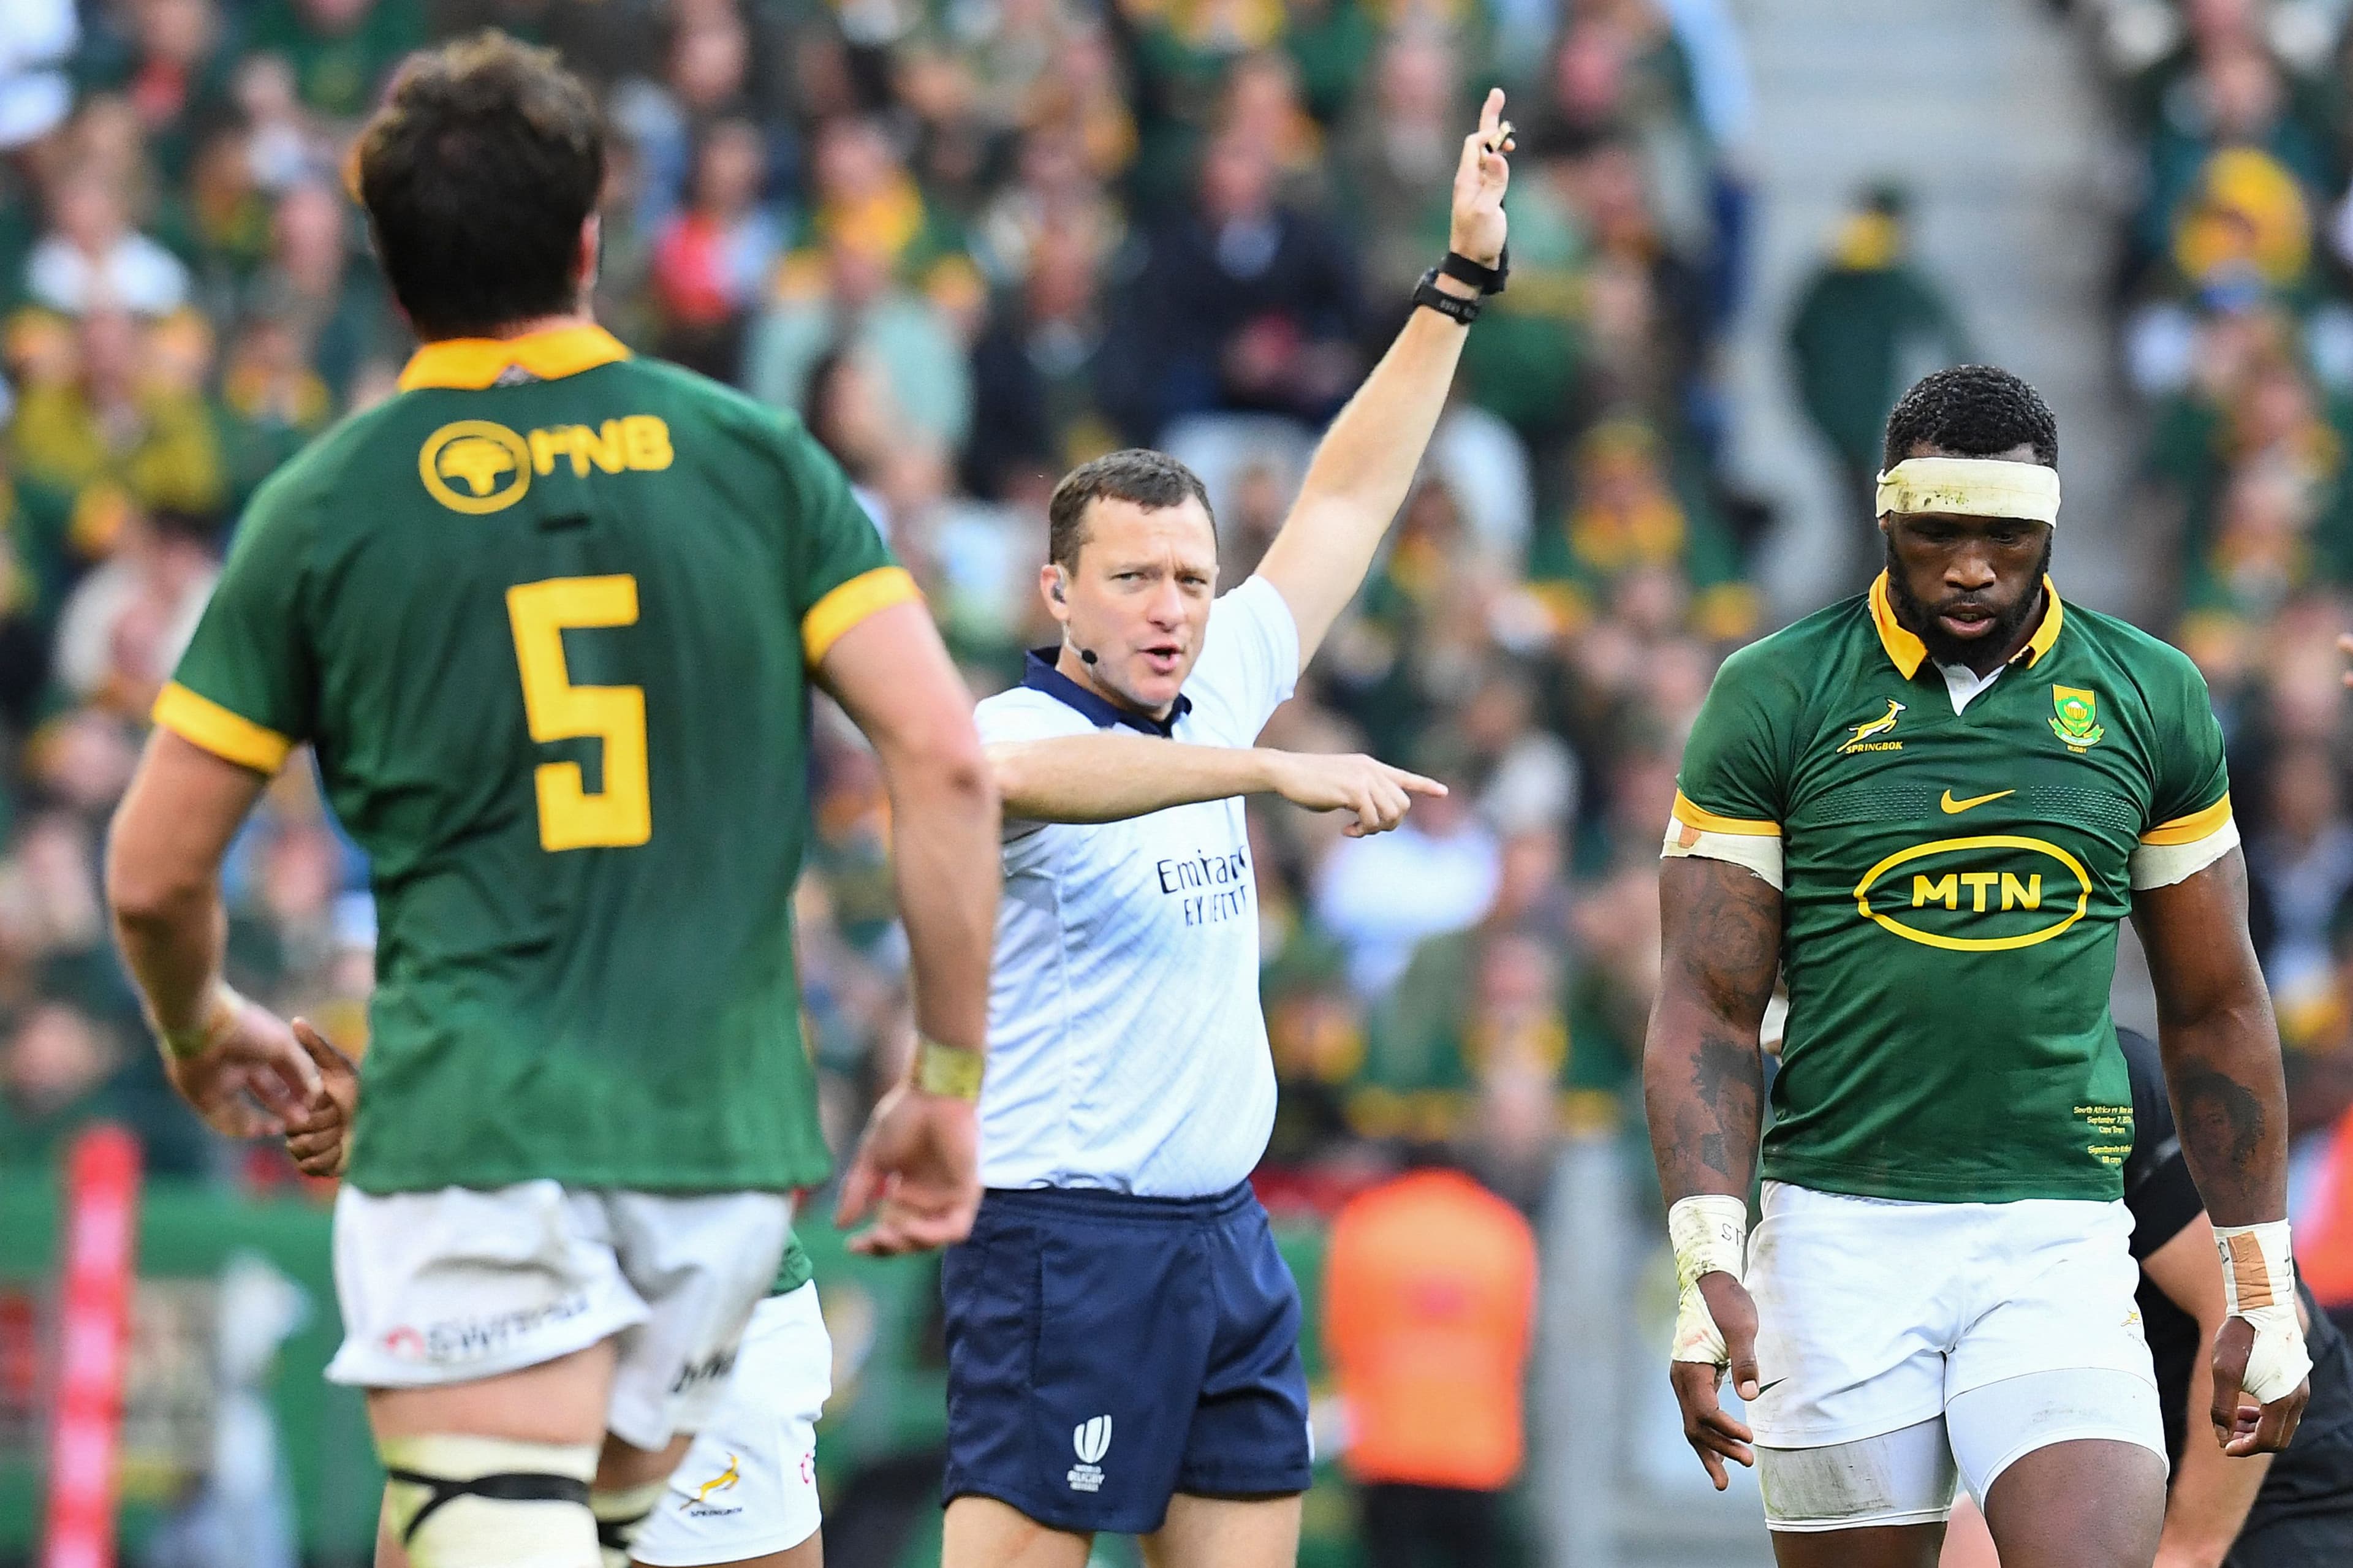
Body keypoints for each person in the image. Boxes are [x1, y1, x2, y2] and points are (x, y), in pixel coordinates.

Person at [102, 34, 1002, 1568]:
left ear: (389, 275)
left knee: (473, 1530)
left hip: (466, 1136)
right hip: (715, 1157)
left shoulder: (327, 505)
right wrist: (947, 1075)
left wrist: (202, 1027)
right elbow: (949, 761)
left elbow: (149, 873)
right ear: (593, 238)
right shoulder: (753, 460)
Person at [1646, 363, 2314, 1568]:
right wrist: (1705, 1255)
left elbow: (2217, 1002)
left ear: (2049, 524)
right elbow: (1706, 1002)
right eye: (1939, 530)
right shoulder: (1774, 694)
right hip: (1835, 1233)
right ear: (1885, 517)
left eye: (2004, 534)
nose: (1970, 566)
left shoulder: (2151, 695)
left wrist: (2259, 1278)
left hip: (2054, 1229)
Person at [1940, 1026, 2353, 1568]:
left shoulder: (2107, 1082)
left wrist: (2185, 1549)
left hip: (2268, 1480)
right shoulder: (1860, 1108)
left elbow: (2265, 1323)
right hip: (2114, 1465)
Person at [1322, 1148, 1538, 1568]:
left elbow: (1341, 1333)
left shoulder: (1366, 1222)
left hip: (1388, 1445)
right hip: (1479, 1450)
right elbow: (1518, 1339)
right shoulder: (1503, 1227)